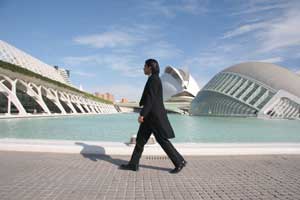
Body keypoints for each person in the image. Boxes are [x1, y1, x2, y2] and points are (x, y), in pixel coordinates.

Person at [120, 59, 187, 174]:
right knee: (140, 141)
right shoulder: (154, 79)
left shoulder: (154, 79)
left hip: (153, 117)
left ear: (150, 67)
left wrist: (142, 114)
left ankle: (179, 161)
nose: (143, 68)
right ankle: (133, 164)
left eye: (144, 66)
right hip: (151, 117)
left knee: (162, 141)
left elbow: (150, 99)